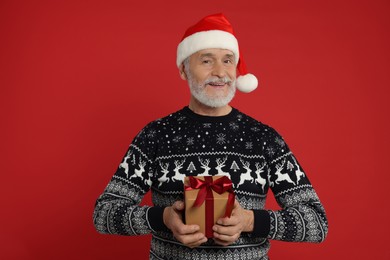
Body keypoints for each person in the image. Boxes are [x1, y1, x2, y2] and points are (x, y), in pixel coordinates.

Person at [93, 13, 328, 260]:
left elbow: (316, 221)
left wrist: (249, 221)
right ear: (184, 69)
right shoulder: (156, 135)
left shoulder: (264, 138)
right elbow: (104, 213)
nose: (220, 72)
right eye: (206, 61)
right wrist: (163, 218)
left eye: (228, 61)